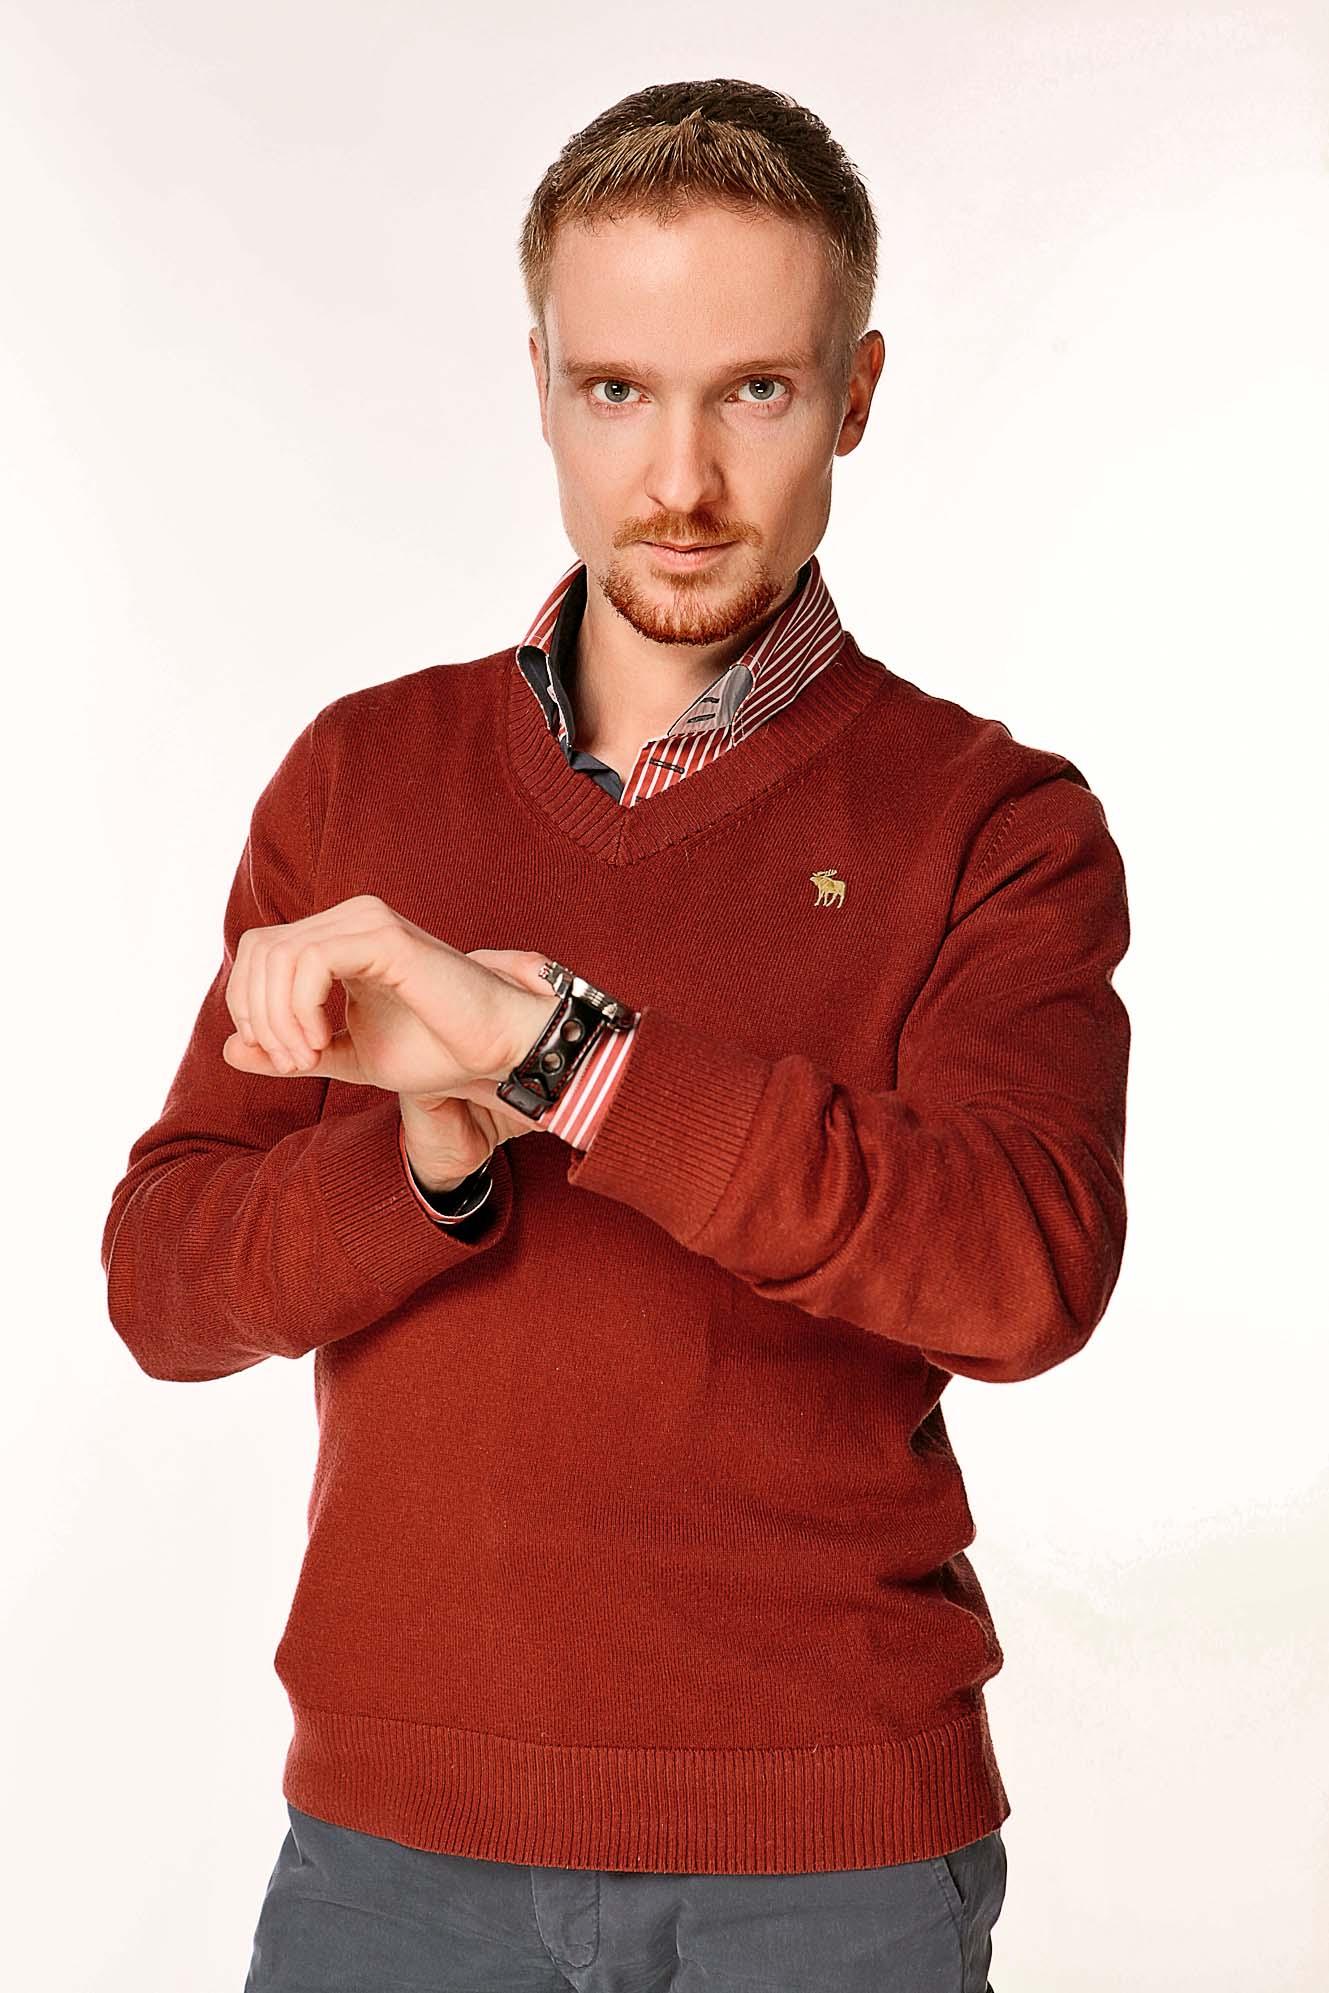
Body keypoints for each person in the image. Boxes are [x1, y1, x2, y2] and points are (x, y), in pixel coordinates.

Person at [101, 76, 1130, 1993]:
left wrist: (564, 1052)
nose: (678, 479)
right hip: (392, 1856)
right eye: (615, 391)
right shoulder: (358, 775)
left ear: (856, 391)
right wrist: (431, 1157)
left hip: (827, 1860)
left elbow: (1024, 1268)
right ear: (540, 383)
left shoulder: (993, 820)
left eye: (753, 390)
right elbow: (163, 1288)